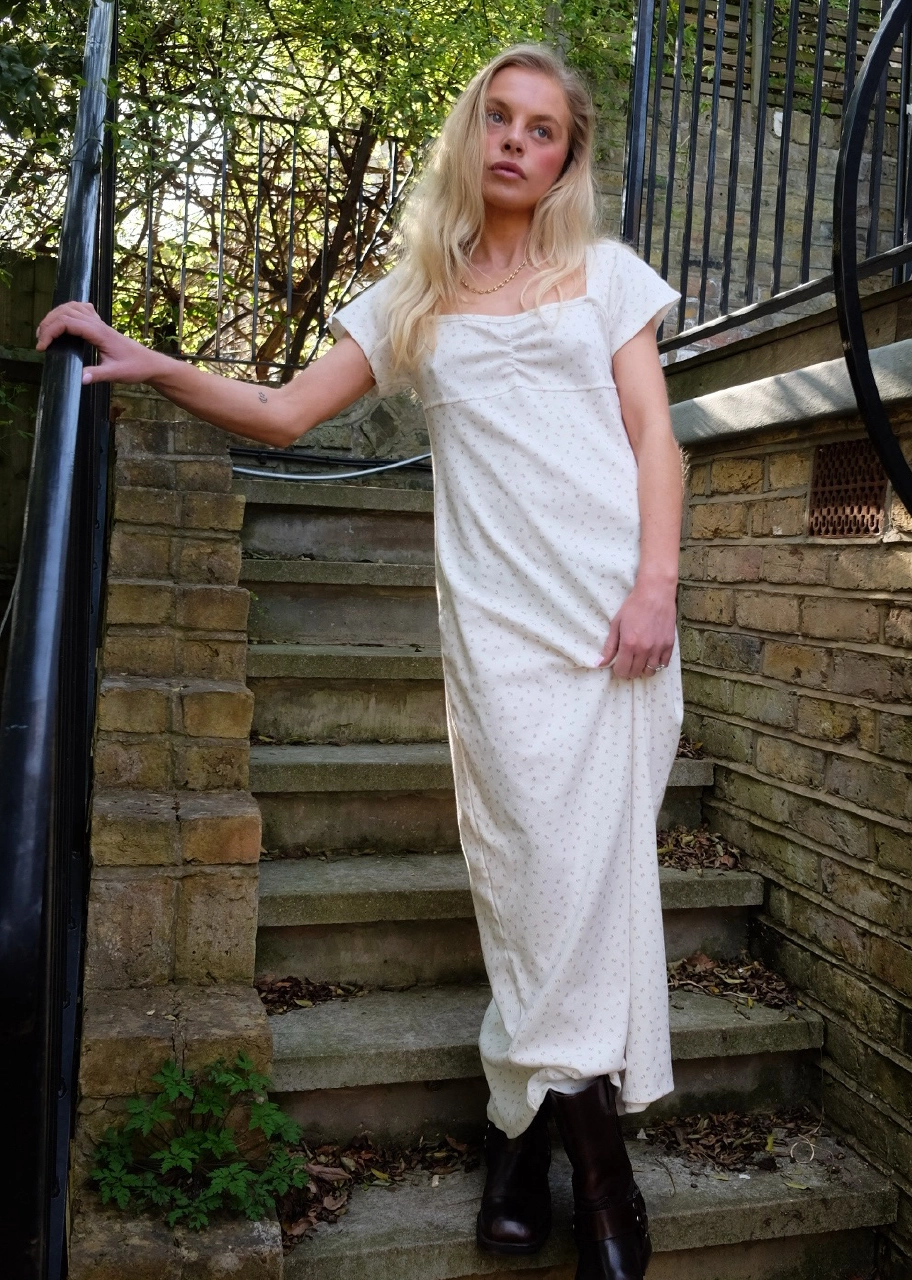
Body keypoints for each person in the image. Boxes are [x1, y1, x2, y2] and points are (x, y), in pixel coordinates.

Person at [38, 43, 684, 1280]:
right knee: (534, 886)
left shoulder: (607, 276)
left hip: (620, 617)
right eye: (498, 117)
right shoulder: (411, 297)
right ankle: (597, 1172)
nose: (515, 141)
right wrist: (154, 362)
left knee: (586, 892)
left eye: (542, 128)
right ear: (471, 132)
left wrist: (657, 583)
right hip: (501, 632)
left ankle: (529, 1144)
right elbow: (285, 411)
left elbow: (656, 435)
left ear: (567, 157)